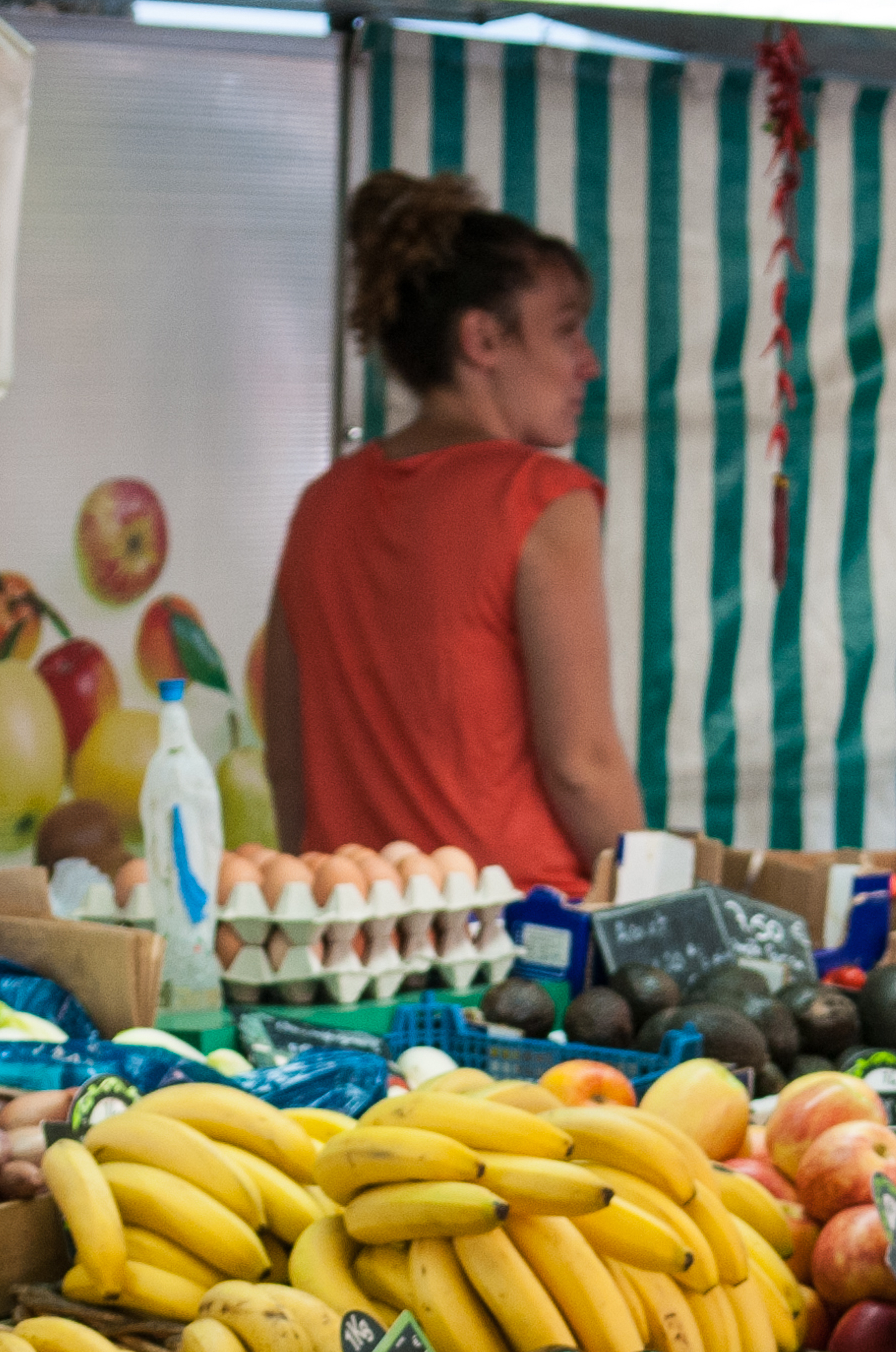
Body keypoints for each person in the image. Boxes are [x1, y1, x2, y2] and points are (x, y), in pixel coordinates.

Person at [264, 173, 643, 894]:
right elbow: (582, 765)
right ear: (483, 338)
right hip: (520, 937)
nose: (587, 362)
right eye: (566, 329)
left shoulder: (321, 505)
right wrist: (665, 902)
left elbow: (289, 763)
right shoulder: (542, 497)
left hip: (356, 937)